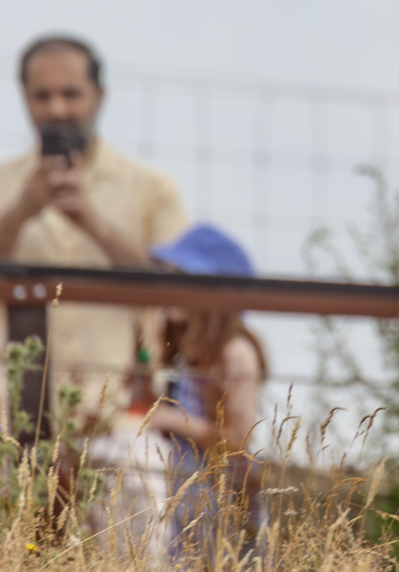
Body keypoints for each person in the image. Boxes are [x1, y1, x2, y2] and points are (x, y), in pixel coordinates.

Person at [0, 34, 189, 431]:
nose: (56, 108)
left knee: (140, 490)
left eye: (70, 94)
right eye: (42, 96)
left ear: (99, 95)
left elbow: (183, 287)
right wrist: (20, 212)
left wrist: (91, 222)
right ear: (25, 98)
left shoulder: (152, 187)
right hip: (3, 411)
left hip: (120, 415)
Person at [146, 224, 268, 563]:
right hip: (182, 491)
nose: (168, 287)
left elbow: (237, 441)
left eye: (181, 277)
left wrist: (174, 421)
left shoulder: (235, 353)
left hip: (217, 496)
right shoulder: (182, 351)